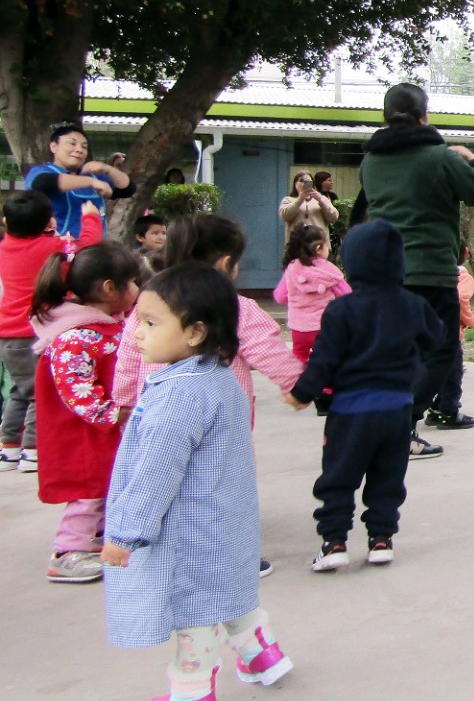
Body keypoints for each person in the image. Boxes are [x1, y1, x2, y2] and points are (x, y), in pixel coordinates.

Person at [101, 263, 293, 701]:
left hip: (191, 527)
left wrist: (125, 534)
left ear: (195, 332)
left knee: (195, 610)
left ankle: (192, 699)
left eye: (149, 323)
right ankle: (260, 653)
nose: (136, 333)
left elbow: (154, 474)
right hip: (224, 516)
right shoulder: (217, 375)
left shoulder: (180, 394)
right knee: (227, 588)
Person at [113, 215, 303, 577]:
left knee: (163, 478)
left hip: (158, 411)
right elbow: (269, 353)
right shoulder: (236, 307)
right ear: (227, 264)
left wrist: (124, 403)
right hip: (218, 420)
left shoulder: (151, 302)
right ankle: (229, 557)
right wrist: (298, 387)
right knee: (221, 486)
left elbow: (128, 353)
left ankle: (159, 546)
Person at [282, 220, 447, 571]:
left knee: (339, 476)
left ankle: (334, 542)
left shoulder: (342, 310)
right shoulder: (412, 304)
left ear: (353, 264)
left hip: (351, 412)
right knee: (388, 477)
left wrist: (302, 393)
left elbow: (323, 360)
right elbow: (438, 338)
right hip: (397, 411)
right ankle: (382, 539)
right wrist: (415, 371)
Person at [358, 84, 474, 454]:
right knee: (442, 350)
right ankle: (401, 425)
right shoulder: (440, 157)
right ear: (424, 115)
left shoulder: (370, 162)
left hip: (386, 272)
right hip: (429, 270)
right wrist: (472, 159)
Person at [31, 242, 140, 583]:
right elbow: (76, 389)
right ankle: (67, 551)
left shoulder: (105, 325)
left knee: (108, 482)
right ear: (110, 288)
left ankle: (98, 539)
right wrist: (112, 414)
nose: (138, 289)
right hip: (82, 430)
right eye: (133, 282)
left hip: (104, 428)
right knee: (87, 490)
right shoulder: (76, 336)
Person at [0, 192, 103, 474]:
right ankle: (32, 451)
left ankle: (9, 447)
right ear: (48, 222)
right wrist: (90, 215)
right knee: (39, 394)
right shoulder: (50, 248)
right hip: (37, 332)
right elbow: (87, 245)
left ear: (7, 223)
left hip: (8, 335)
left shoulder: (4, 246)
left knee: (19, 391)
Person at [273, 224, 351, 415]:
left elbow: (280, 297)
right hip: (324, 326)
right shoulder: (328, 271)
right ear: (318, 248)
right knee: (330, 357)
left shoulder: (292, 268)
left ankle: (295, 388)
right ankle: (326, 392)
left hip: (299, 327)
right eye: (327, 245)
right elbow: (346, 294)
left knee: (299, 354)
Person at [24, 123, 135, 238]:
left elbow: (128, 189)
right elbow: (42, 183)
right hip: (60, 251)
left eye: (84, 147)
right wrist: (90, 182)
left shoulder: (94, 176)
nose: (79, 150)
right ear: (54, 147)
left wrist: (107, 169)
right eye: (72, 143)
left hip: (94, 250)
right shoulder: (42, 171)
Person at [425, 246, 474, 430]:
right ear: (466, 252)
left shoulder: (432, 276)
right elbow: (460, 300)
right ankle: (449, 410)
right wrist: (472, 321)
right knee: (454, 373)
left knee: (440, 372)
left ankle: (436, 408)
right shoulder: (464, 278)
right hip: (450, 332)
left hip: (430, 330)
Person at [279, 171, 339, 235]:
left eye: (308, 181)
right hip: (296, 242)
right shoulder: (288, 200)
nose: (304, 183)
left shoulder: (322, 199)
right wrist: (300, 199)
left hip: (319, 242)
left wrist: (320, 200)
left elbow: (333, 218)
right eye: (301, 180)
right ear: (295, 184)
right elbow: (285, 216)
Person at [133, 214, 167, 284]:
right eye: (155, 233)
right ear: (140, 237)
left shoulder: (170, 257)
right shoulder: (133, 260)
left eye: (164, 233)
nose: (161, 237)